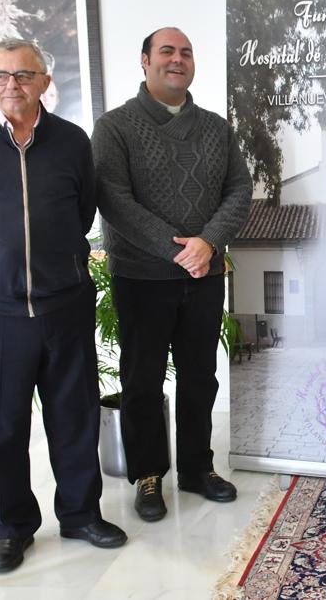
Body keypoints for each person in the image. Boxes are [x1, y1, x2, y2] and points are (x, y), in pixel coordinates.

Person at [0, 38, 126, 573]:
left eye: (24, 75)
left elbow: (83, 212)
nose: (12, 85)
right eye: (1, 76)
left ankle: (82, 514)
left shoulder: (70, 141)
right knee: (4, 427)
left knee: (75, 417)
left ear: (44, 81)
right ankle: (14, 528)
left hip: (63, 306)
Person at [92, 27, 253, 523]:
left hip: (204, 274)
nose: (177, 59)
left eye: (186, 52)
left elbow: (240, 189)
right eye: (167, 51)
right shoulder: (114, 126)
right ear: (145, 61)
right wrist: (178, 250)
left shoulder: (215, 128)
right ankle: (148, 475)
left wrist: (207, 244)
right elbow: (113, 200)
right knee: (141, 381)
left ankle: (196, 469)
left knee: (201, 378)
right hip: (141, 277)